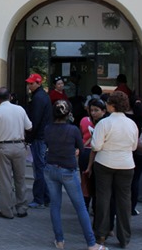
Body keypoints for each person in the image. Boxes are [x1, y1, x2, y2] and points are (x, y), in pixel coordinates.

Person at [44, 100, 106, 250]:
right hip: (68, 170)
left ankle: (59, 240)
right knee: (80, 207)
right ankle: (91, 243)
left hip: (50, 168)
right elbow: (81, 147)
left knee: (55, 205)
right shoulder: (73, 130)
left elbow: (47, 144)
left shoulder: (48, 128)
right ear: (69, 114)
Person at [91, 91, 138, 248]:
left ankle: (101, 235)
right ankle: (124, 237)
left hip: (105, 162)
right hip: (126, 164)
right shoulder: (131, 124)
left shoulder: (104, 123)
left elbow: (96, 146)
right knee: (124, 201)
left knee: (103, 199)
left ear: (111, 105)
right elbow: (134, 146)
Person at [0, 86, 32, 220]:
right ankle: (22, 208)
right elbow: (29, 127)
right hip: (19, 146)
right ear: (10, 97)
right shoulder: (20, 109)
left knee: (5, 181)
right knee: (20, 178)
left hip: (4, 147)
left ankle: (7, 211)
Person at [25, 73, 52, 209]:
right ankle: (46, 197)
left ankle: (39, 198)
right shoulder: (42, 97)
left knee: (39, 169)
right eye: (29, 83)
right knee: (41, 168)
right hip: (42, 137)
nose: (29, 86)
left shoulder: (38, 98)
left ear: (38, 83)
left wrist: (29, 137)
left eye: (31, 83)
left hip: (38, 138)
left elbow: (35, 121)